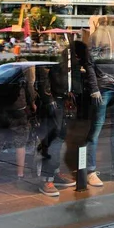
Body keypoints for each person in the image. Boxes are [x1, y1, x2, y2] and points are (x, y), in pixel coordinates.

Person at [74, 40, 114, 186]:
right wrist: (94, 88)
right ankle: (90, 171)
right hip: (103, 89)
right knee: (96, 129)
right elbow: (89, 65)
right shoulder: (96, 40)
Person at [36, 53, 76, 197]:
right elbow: (44, 75)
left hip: (62, 99)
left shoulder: (64, 49)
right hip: (54, 101)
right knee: (53, 140)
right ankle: (47, 178)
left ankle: (54, 173)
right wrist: (49, 100)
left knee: (60, 138)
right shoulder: (52, 52)